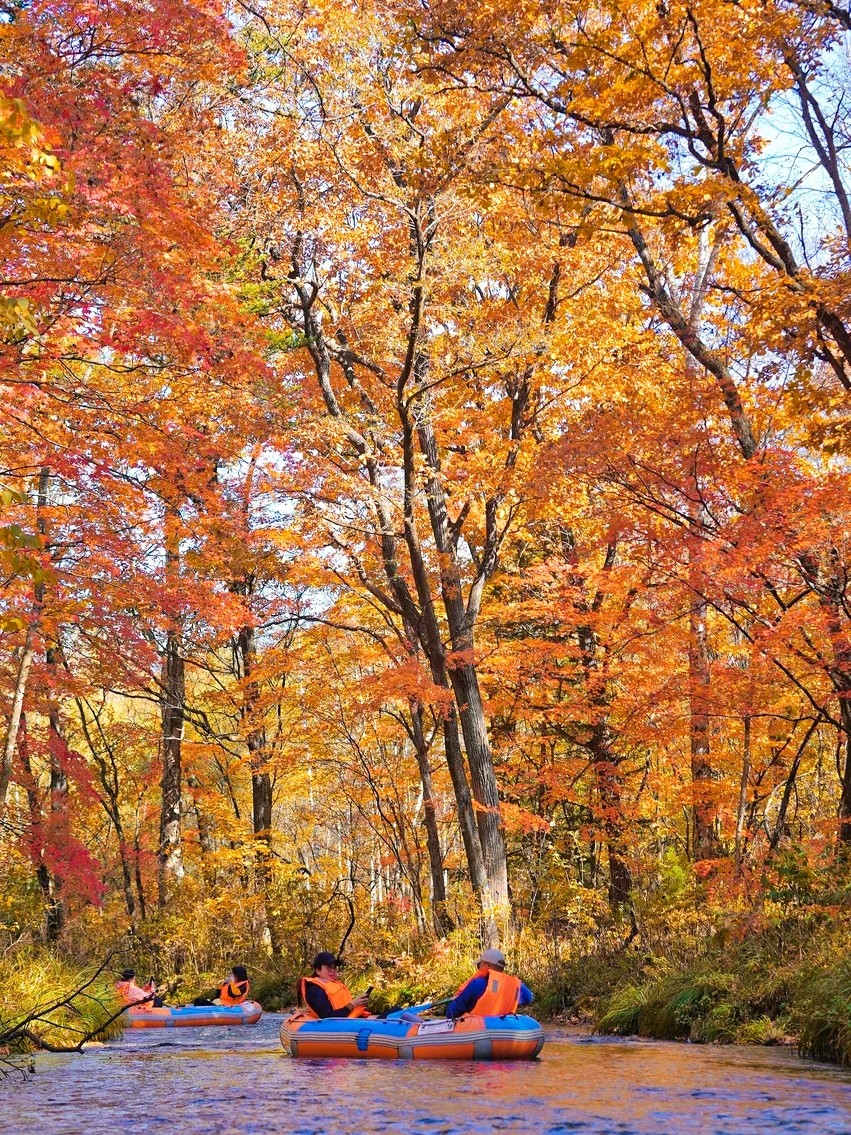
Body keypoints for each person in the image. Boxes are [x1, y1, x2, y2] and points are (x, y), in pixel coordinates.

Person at [445, 949, 533, 1019]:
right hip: (502, 1029)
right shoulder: (515, 986)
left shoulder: (477, 984)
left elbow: (451, 1013)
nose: (478, 968)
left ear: (487, 966)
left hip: (477, 1030)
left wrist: (457, 999)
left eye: (479, 965)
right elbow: (528, 998)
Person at [297, 952, 370, 1019]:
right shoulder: (315, 990)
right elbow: (328, 1017)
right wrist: (352, 1005)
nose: (333, 971)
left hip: (348, 1022)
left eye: (334, 968)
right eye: (329, 968)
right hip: (336, 1027)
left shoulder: (336, 985)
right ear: (318, 971)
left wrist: (359, 1003)